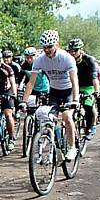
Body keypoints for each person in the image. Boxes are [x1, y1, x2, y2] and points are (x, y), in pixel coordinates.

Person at [21, 30, 80, 161]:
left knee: (66, 116)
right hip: (54, 91)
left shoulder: (66, 58)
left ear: (57, 45)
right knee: (48, 116)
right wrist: (24, 101)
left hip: (68, 91)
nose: (47, 50)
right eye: (44, 47)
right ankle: (54, 143)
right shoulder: (40, 60)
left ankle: (71, 147)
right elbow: (31, 82)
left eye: (50, 47)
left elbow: (74, 80)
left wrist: (75, 99)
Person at [66, 39, 100, 139]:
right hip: (73, 86)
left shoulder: (89, 60)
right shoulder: (68, 60)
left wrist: (96, 91)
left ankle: (91, 127)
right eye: (70, 51)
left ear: (81, 50)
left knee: (88, 105)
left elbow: (94, 77)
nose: (73, 53)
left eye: (75, 50)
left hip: (88, 86)